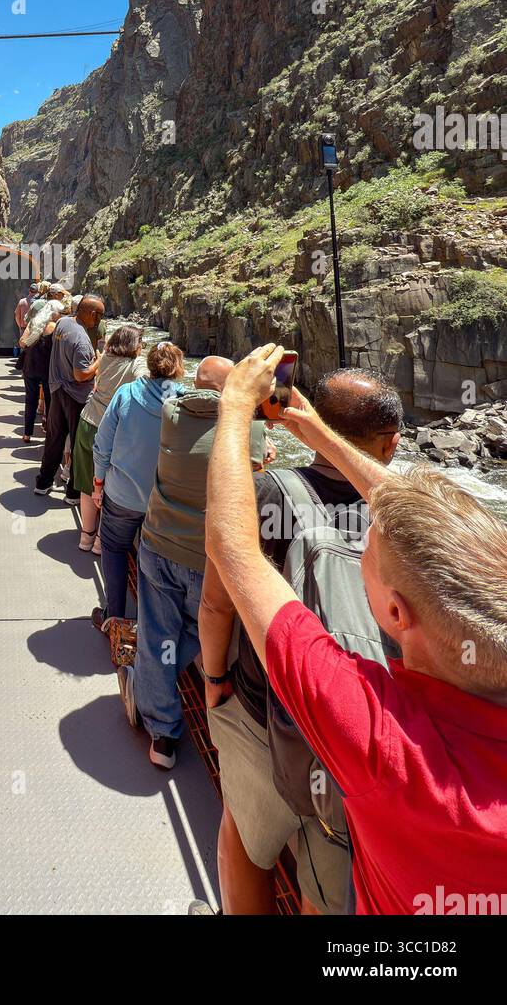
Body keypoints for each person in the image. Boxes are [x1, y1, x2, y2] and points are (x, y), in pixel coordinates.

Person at [205, 345, 507, 916]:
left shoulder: (379, 737)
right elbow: (411, 517)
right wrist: (316, 432)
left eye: (371, 549)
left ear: (397, 614)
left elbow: (233, 548)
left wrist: (236, 409)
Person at [200, 366, 402, 913]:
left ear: (299, 422)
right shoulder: (412, 524)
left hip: (265, 708)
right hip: (363, 731)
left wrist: (214, 679)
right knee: (326, 872)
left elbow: (219, 601)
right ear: (392, 444)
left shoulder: (269, 491)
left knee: (245, 840)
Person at [133, 356, 267, 770]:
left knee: (158, 635)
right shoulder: (251, 428)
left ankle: (162, 733)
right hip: (210, 560)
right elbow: (255, 474)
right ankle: (165, 685)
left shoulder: (172, 412)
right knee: (199, 629)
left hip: (159, 543)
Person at [90, 341, 186, 632]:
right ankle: (149, 624)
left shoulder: (126, 394)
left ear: (150, 365)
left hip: (122, 495)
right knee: (154, 558)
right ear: (179, 369)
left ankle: (113, 615)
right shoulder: (187, 404)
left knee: (114, 549)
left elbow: (102, 445)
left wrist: (98, 482)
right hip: (164, 501)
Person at [72, 325, 148, 554]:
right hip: (111, 431)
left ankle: (86, 536)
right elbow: (147, 381)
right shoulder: (136, 365)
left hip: (87, 422)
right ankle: (100, 542)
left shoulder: (105, 357)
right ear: (136, 345)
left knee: (88, 484)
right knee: (108, 487)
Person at [34, 294, 105, 501]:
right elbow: (81, 375)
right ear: (92, 314)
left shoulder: (63, 323)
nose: (100, 319)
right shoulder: (82, 341)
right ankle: (73, 493)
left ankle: (43, 482)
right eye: (99, 315)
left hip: (57, 391)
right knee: (78, 444)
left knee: (54, 439)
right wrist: (99, 361)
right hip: (77, 397)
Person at [20, 301, 63, 442]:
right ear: (54, 312)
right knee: (51, 402)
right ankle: (50, 434)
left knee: (30, 400)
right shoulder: (55, 327)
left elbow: (22, 342)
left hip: (30, 366)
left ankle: (27, 434)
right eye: (60, 312)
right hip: (47, 368)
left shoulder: (34, 323)